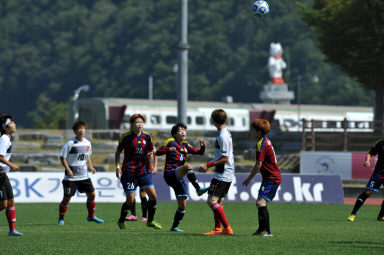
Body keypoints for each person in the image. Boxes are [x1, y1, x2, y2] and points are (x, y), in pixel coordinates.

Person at [156, 122, 209, 232]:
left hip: (178, 177)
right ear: (175, 134)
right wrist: (168, 149)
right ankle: (198, 189)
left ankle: (174, 227)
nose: (183, 132)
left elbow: (199, 153)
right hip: (170, 174)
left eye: (184, 130)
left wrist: (202, 146)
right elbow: (157, 152)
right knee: (187, 166)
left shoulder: (185, 145)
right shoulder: (170, 142)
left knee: (182, 204)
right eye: (180, 130)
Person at [115, 114, 161, 230]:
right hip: (129, 172)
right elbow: (118, 152)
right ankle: (121, 220)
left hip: (144, 171)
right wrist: (117, 166)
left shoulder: (147, 137)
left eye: (141, 122)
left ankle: (150, 221)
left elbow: (152, 151)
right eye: (137, 122)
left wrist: (152, 160)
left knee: (153, 196)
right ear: (132, 124)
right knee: (130, 200)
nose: (139, 124)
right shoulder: (125, 137)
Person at [58, 120, 104, 225]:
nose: (81, 130)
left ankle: (91, 216)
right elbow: (62, 158)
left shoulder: (87, 143)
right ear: (75, 131)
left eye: (83, 128)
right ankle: (61, 219)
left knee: (92, 194)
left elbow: (87, 156)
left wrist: (91, 167)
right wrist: (68, 170)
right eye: (79, 128)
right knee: (66, 198)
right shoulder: (69, 144)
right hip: (71, 177)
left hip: (84, 175)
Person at [242, 119, 281, 237]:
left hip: (272, 178)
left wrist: (248, 179)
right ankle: (261, 230)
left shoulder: (261, 144)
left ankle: (268, 232)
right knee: (260, 203)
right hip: (270, 177)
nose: (251, 132)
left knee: (260, 202)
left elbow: (258, 165)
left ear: (259, 131)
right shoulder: (264, 141)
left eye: (253, 129)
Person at [199, 109, 234, 236]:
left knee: (211, 201)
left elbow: (225, 158)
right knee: (217, 202)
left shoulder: (223, 136)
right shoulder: (223, 133)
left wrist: (207, 165)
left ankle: (227, 228)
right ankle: (218, 229)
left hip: (223, 173)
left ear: (213, 121)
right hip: (222, 173)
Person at [348, 138, 384, 222]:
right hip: (378, 173)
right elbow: (370, 153)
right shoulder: (380, 143)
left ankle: (381, 216)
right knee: (368, 192)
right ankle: (353, 214)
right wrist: (367, 161)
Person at [0, 114, 23, 236]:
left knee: (10, 201)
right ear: (5, 127)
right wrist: (12, 165)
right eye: (12, 123)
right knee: (3, 204)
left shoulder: (6, 138)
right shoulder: (3, 139)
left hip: (3, 174)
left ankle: (12, 230)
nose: (14, 125)